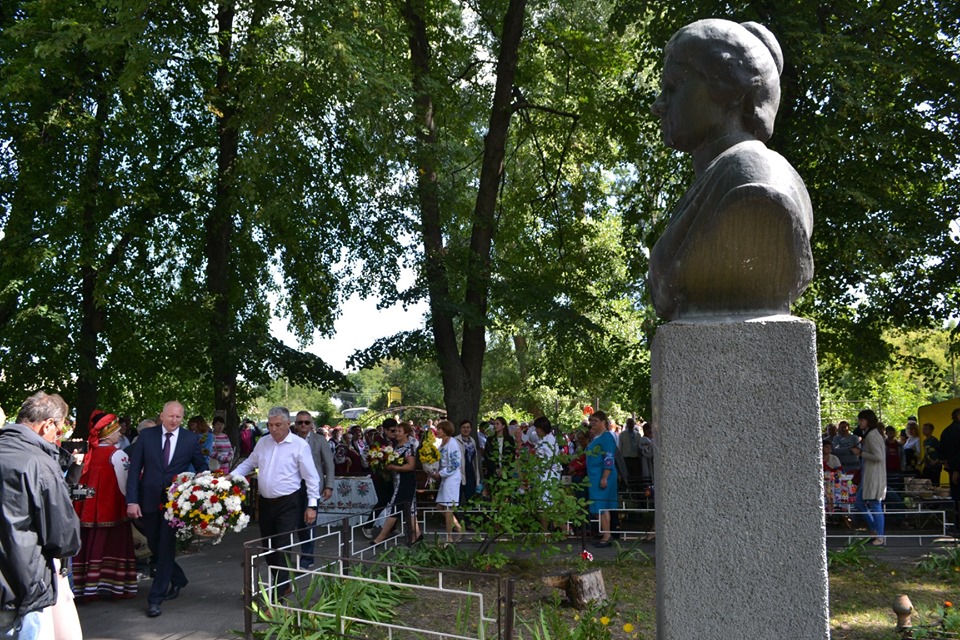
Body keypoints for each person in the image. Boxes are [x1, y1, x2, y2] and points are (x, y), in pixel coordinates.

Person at [647, 19, 813, 320]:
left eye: (673, 86)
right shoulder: (716, 180)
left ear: (732, 89)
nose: (658, 104)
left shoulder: (753, 178)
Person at [0, 392, 82, 638]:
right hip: (21, 585)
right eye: (58, 431)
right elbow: (64, 536)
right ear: (47, 424)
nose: (57, 437)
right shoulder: (40, 463)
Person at [126, 400, 208, 618]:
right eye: (171, 416)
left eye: (179, 417)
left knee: (166, 547)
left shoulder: (190, 439)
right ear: (161, 416)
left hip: (175, 503)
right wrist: (132, 501)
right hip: (149, 500)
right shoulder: (147, 436)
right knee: (155, 544)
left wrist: (200, 485)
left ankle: (155, 598)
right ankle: (178, 578)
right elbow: (134, 470)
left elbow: (202, 466)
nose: (174, 421)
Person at [231, 407, 320, 596]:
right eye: (270, 425)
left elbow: (311, 477)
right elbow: (249, 463)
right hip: (265, 503)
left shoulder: (299, 445)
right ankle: (284, 583)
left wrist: (312, 505)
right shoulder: (263, 442)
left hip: (289, 503)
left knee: (282, 547)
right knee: (269, 548)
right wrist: (231, 476)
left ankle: (277, 597)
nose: (273, 429)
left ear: (288, 424)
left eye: (278, 425)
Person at [71, 411, 137, 601]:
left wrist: (86, 503)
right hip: (112, 510)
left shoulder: (87, 455)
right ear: (109, 434)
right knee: (113, 547)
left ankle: (85, 587)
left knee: (88, 547)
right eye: (117, 431)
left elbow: (78, 485)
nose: (120, 434)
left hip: (86, 511)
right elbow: (124, 487)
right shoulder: (118, 455)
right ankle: (115, 586)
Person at [292, 411, 334, 568]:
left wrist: (329, 486)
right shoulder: (291, 440)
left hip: (314, 486)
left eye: (306, 422)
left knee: (309, 521)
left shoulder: (320, 440)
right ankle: (298, 552)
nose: (303, 425)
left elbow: (329, 464)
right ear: (295, 425)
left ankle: (307, 558)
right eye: (300, 422)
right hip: (294, 485)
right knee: (296, 522)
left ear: (311, 424)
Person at [371, 422, 421, 545]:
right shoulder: (396, 445)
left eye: (399, 431)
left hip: (406, 481)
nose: (396, 433)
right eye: (395, 431)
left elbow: (410, 466)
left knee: (394, 507)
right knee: (409, 508)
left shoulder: (409, 446)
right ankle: (417, 534)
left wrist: (392, 467)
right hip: (397, 480)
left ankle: (381, 536)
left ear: (406, 433)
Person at [851, 409, 886, 546]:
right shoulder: (872, 434)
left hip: (874, 476)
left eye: (862, 420)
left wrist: (860, 453)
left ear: (868, 421)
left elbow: (878, 457)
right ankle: (875, 531)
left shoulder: (872, 435)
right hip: (869, 476)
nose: (859, 422)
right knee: (859, 503)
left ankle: (879, 535)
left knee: (875, 504)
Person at [586, 411, 618, 548]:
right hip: (594, 476)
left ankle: (607, 535)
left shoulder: (606, 437)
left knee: (602, 506)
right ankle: (604, 532)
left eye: (595, 421)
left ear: (603, 422)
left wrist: (605, 477)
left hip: (602, 477)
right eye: (591, 420)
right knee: (598, 507)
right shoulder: (597, 437)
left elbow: (609, 458)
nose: (592, 423)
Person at [427, 420, 463, 543]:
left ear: (446, 430)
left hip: (452, 478)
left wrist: (440, 473)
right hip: (445, 477)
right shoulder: (442, 443)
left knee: (448, 507)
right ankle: (459, 528)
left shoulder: (452, 443)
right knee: (440, 506)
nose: (438, 431)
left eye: (440, 429)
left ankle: (449, 537)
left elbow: (455, 464)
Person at [483, 416, 515, 496]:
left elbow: (511, 456)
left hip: (506, 472)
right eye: (494, 424)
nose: (495, 426)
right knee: (495, 494)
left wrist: (504, 469)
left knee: (506, 494)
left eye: (497, 424)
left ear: (503, 426)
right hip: (493, 472)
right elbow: (488, 456)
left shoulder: (510, 440)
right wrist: (496, 468)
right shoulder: (490, 440)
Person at [939, 407, 960, 530]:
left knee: (956, 497)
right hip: (956, 467)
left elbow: (942, 451)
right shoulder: (956, 431)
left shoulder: (946, 431)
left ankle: (957, 524)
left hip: (951, 467)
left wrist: (946, 463)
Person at [456, 420, 481, 509]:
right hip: (459, 474)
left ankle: (468, 521)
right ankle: (456, 521)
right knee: (456, 500)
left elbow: (475, 460)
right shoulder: (455, 441)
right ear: (460, 428)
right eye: (463, 427)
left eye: (468, 427)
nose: (466, 429)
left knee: (470, 499)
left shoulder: (472, 441)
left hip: (470, 474)